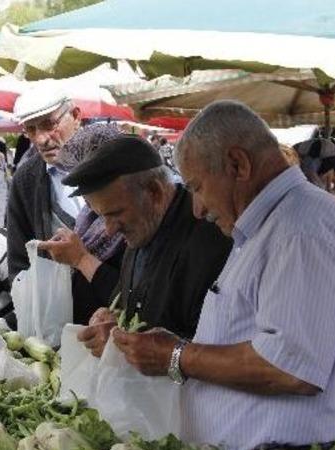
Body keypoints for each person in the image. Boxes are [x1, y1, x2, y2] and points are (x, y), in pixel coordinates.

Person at [111, 100, 335, 450]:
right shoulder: (264, 229)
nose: (197, 210)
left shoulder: (301, 229)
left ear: (238, 164)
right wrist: (177, 348)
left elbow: (290, 367)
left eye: (198, 187)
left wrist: (176, 355)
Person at [63, 135, 231, 353]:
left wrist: (129, 343)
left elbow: (219, 347)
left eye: (115, 213)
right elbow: (130, 298)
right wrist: (113, 316)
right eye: (102, 216)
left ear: (155, 192)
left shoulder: (209, 239)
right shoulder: (144, 225)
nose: (109, 229)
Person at [36, 123, 127, 325]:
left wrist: (81, 259)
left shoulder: (133, 223)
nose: (83, 195)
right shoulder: (89, 215)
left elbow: (132, 296)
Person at [7, 89, 87, 280]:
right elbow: (19, 259)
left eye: (49, 124)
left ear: (76, 116)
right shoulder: (26, 180)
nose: (41, 139)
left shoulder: (112, 164)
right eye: (31, 130)